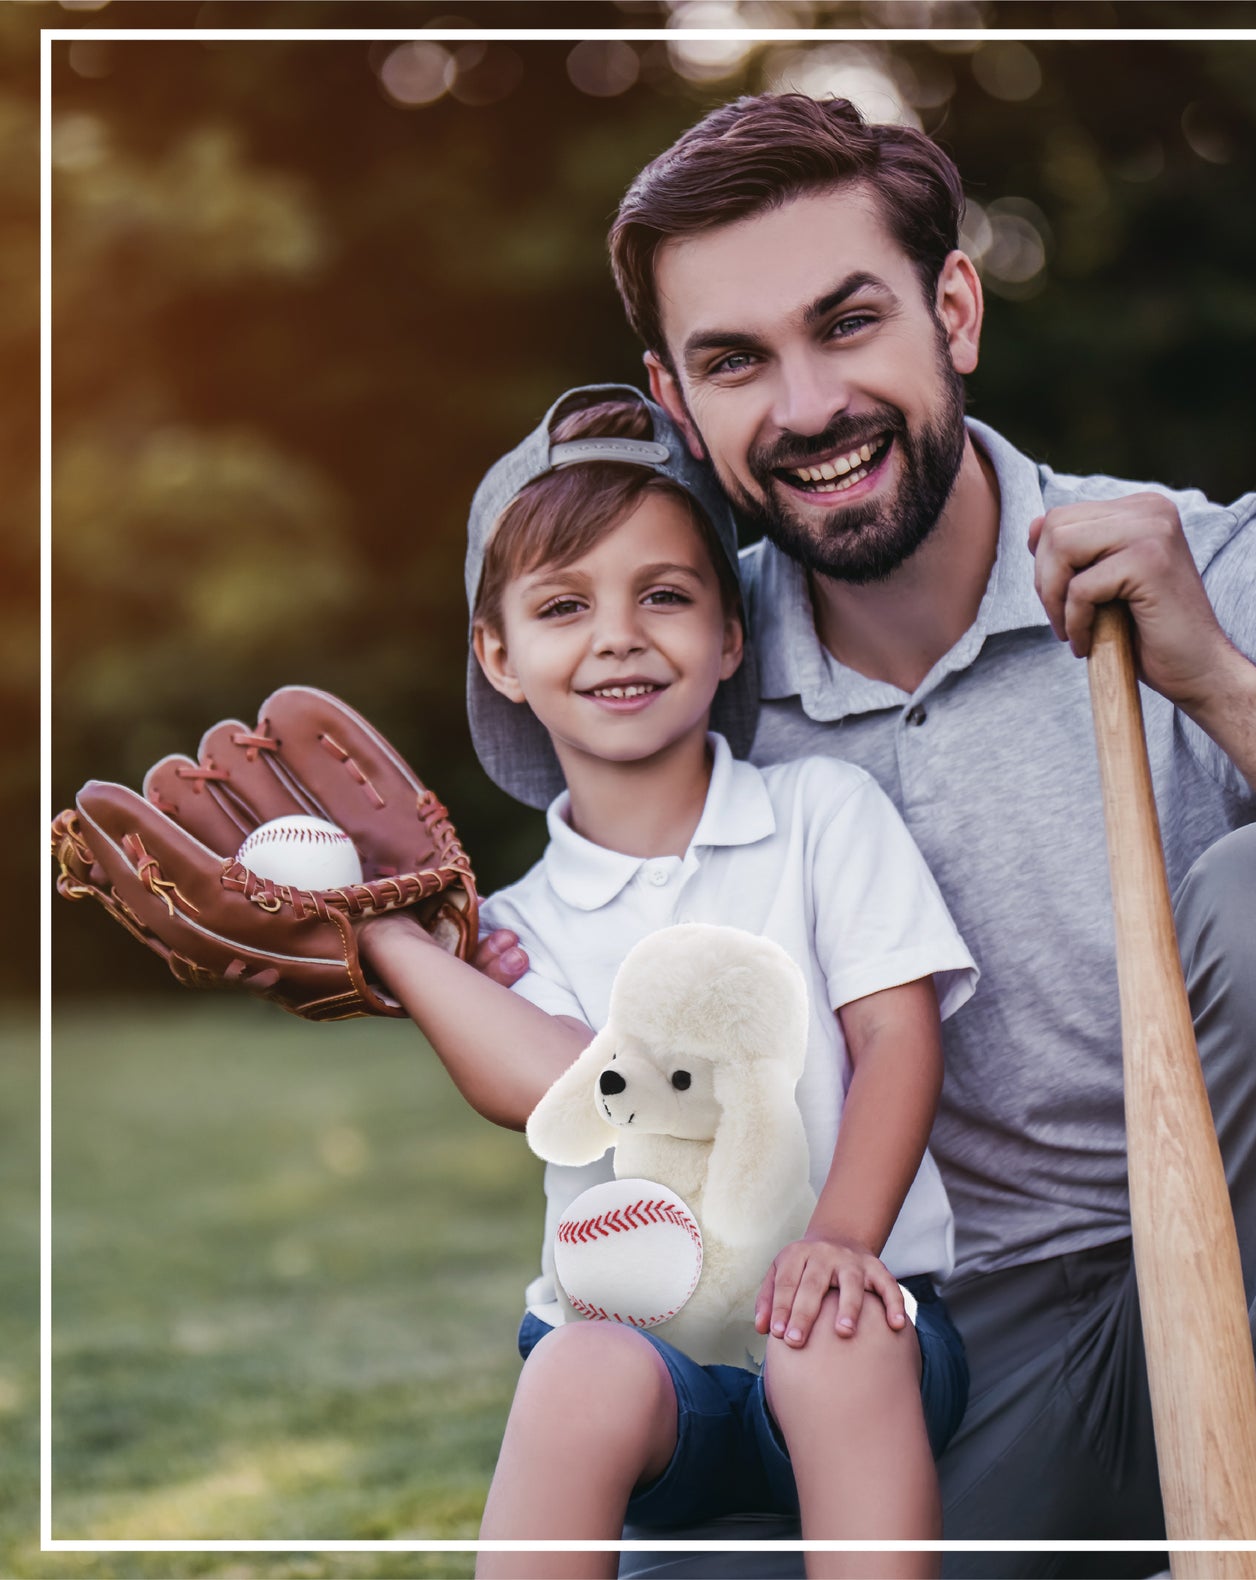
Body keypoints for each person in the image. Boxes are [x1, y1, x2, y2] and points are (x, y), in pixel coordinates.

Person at [477, 94, 1256, 1579]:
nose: (804, 408)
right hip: (924, 1347)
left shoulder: (1224, 566)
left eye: (846, 323)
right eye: (737, 362)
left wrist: (1219, 682)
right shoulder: (684, 662)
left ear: (954, 307)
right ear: (676, 402)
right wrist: (379, 942)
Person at [361, 384, 978, 1580]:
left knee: (834, 1334)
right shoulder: (515, 927)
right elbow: (557, 1082)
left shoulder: (818, 816)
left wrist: (842, 1238)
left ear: (730, 632)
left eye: (664, 594)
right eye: (559, 605)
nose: (617, 635)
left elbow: (899, 1040)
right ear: (498, 653)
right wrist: (393, 940)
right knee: (577, 1367)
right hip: (650, 1368)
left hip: (862, 1327)